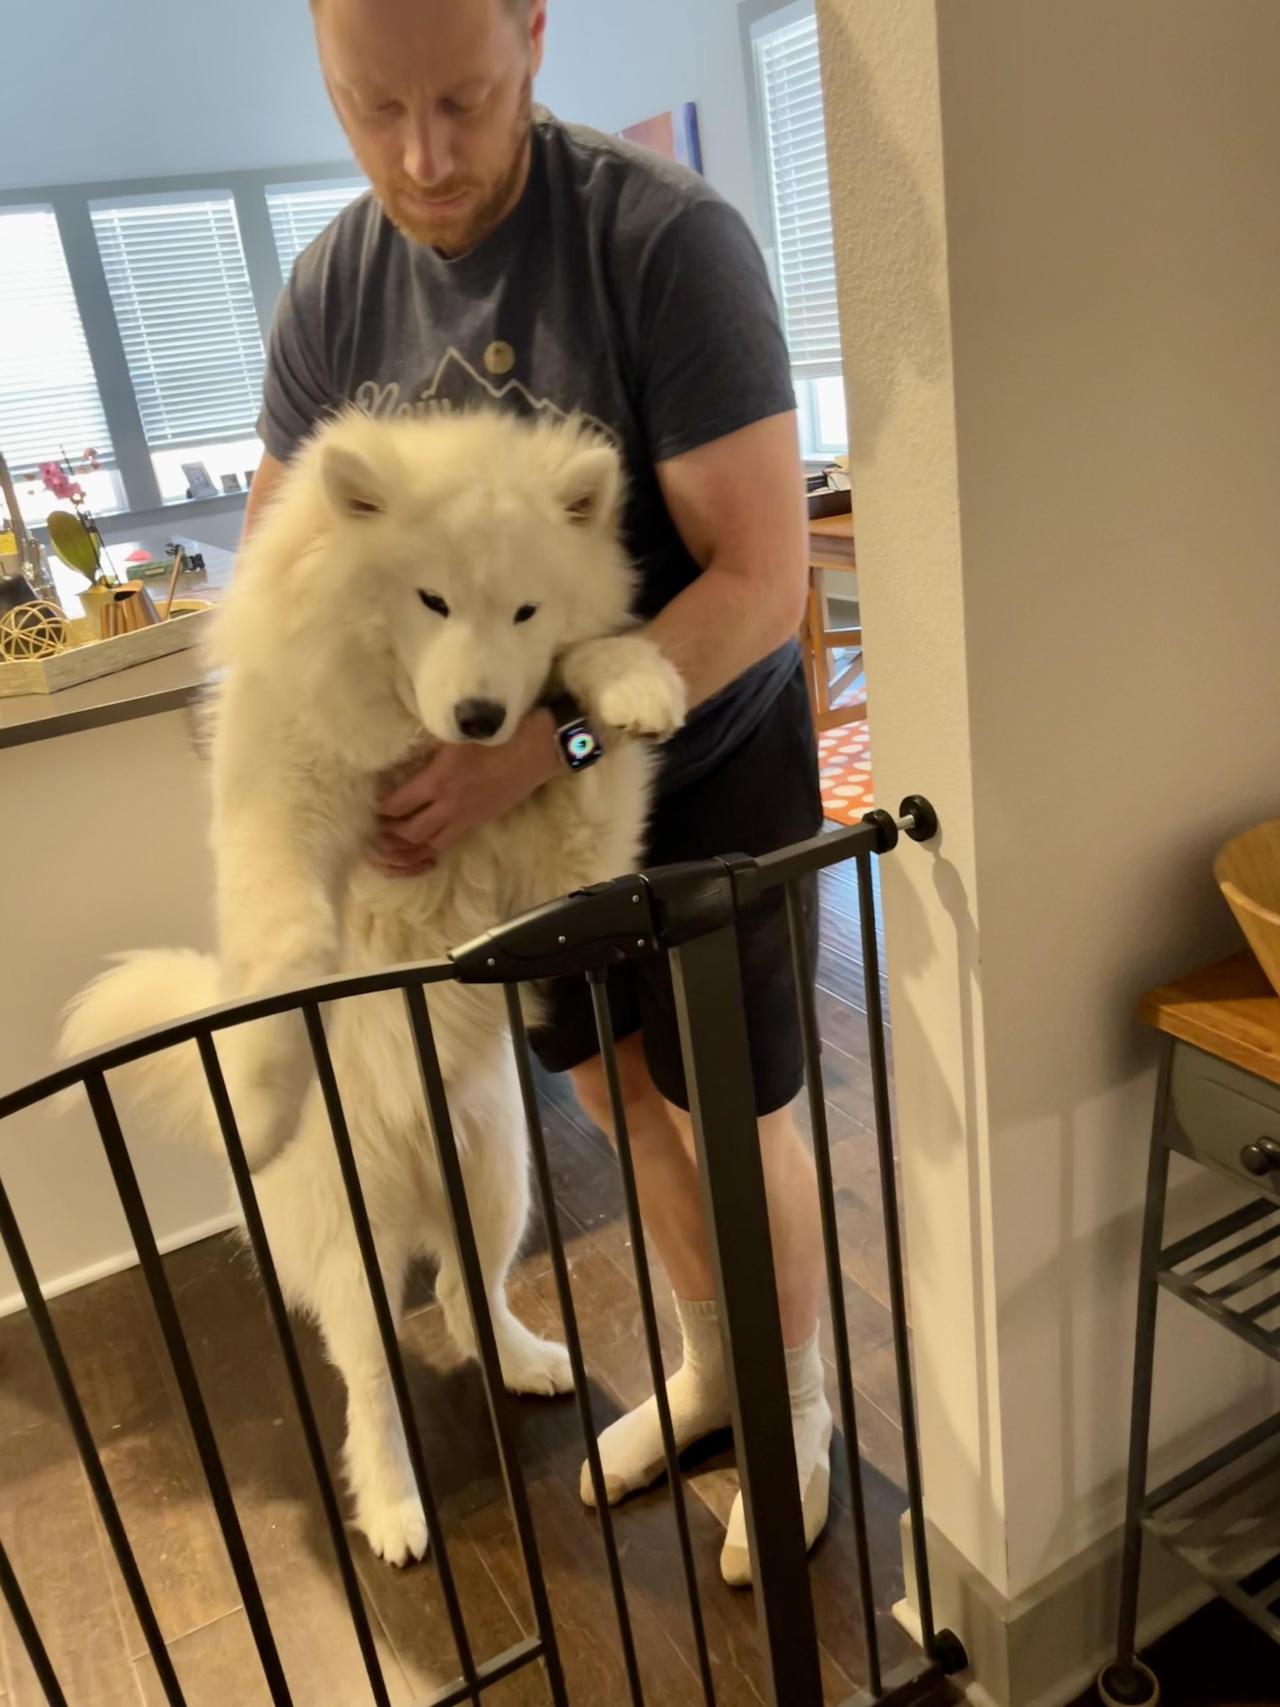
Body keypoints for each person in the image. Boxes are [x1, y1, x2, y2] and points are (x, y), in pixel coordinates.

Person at [246, 0, 830, 1586]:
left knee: (726, 1104)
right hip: (506, 834)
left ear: (534, 33)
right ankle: (711, 1370)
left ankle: (795, 1413)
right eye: (376, 111)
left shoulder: (663, 247)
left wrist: (547, 743)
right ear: (326, 71)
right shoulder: (332, 295)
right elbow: (283, 577)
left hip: (694, 766)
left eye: (466, 101)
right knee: (607, 1091)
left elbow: (762, 575)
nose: (423, 159)